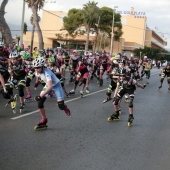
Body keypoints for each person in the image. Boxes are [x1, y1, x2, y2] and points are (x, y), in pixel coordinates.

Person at [32, 57, 71, 130]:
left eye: (38, 68)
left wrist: (41, 95)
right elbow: (38, 76)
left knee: (60, 106)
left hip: (56, 86)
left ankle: (64, 107)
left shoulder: (47, 73)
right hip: (48, 85)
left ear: (42, 66)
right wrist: (36, 83)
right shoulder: (37, 71)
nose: (36, 69)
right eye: (35, 68)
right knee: (40, 102)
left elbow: (50, 87)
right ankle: (44, 119)